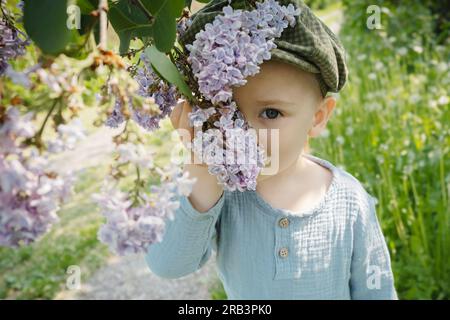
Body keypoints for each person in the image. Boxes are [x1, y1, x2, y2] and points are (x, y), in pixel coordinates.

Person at [146, 0, 398, 300]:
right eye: (222, 110)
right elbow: (168, 265)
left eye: (270, 114)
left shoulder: (349, 201)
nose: (242, 134)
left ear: (317, 117)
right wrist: (201, 167)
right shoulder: (223, 195)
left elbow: (377, 292)